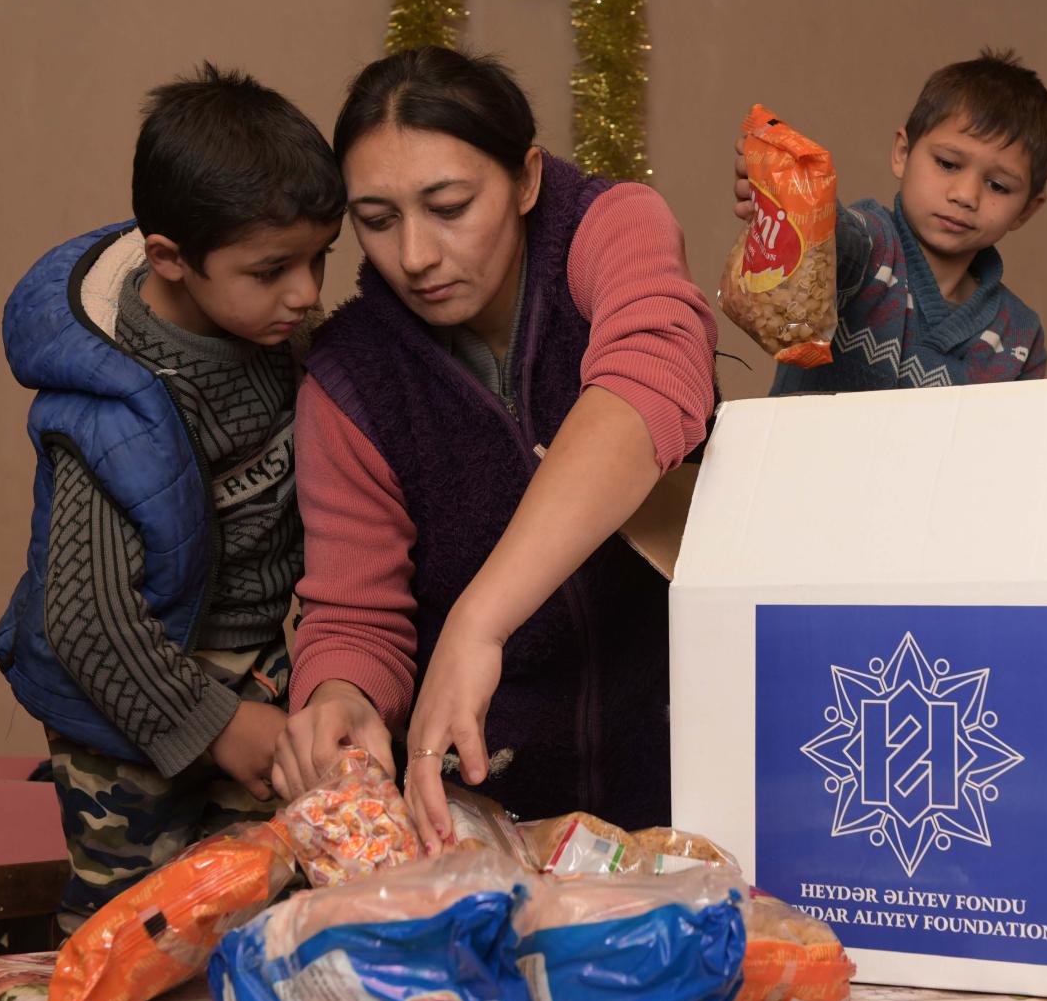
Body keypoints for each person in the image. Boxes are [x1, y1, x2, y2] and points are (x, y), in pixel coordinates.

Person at [269, 46, 717, 852]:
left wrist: (478, 621)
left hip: (696, 780)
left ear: (527, 179)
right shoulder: (350, 379)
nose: (415, 256)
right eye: (377, 220)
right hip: (499, 828)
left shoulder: (607, 228)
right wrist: (341, 698)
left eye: (448, 206)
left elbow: (651, 384)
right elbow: (356, 614)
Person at [0, 64, 343, 929]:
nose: (305, 294)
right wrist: (220, 725)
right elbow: (85, 617)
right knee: (138, 931)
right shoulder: (112, 406)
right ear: (170, 261)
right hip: (127, 696)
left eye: (318, 260)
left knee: (266, 909)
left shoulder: (280, 340)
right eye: (273, 271)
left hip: (257, 678)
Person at [732, 49, 1047, 392]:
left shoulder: (1019, 338)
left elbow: (1017, 442)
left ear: (1026, 210)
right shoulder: (869, 247)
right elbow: (832, 232)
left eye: (998, 186)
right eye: (947, 164)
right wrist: (791, 196)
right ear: (903, 154)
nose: (965, 195)